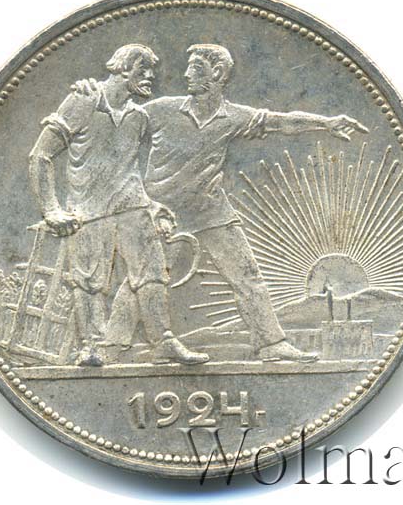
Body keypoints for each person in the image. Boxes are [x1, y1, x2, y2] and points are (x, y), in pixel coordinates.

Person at [74, 43, 368, 362]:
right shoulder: (160, 110)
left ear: (216, 73)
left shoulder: (233, 117)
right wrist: (92, 93)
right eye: (188, 67)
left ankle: (271, 344)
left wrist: (326, 123)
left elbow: (281, 122)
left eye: (196, 68)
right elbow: (116, 118)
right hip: (162, 213)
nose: (186, 74)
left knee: (247, 275)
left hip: (211, 211)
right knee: (141, 281)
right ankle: (112, 347)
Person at [28, 44, 209, 366]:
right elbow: (41, 155)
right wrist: (51, 209)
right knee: (89, 282)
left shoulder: (139, 117)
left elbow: (127, 171)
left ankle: (163, 342)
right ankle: (91, 347)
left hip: (132, 209)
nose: (150, 77)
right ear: (123, 68)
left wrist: (152, 206)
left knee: (153, 274)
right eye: (143, 70)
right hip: (88, 212)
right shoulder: (83, 100)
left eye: (152, 71)